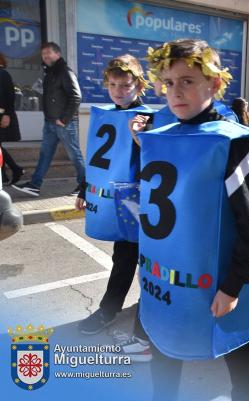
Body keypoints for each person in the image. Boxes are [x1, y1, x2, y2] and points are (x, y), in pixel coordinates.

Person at [130, 39, 249, 401]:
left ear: (214, 84)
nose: (175, 91)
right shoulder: (158, 138)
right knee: (164, 344)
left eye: (187, 81)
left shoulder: (232, 143)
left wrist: (232, 286)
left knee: (233, 341)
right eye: (168, 82)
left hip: (217, 279)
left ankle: (245, 396)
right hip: (165, 277)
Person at [75, 54, 153, 336]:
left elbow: (158, 160)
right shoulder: (105, 115)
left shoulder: (148, 118)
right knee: (123, 256)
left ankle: (143, 312)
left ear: (139, 85)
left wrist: (142, 135)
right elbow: (97, 160)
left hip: (140, 199)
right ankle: (110, 309)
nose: (118, 90)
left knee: (145, 260)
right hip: (114, 198)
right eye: (113, 84)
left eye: (125, 85)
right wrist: (85, 188)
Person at [12, 42, 85, 197]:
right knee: (45, 154)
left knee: (74, 155)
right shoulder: (50, 72)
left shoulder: (65, 71)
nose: (45, 56)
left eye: (48, 53)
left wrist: (64, 119)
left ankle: (85, 186)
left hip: (64, 123)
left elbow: (76, 97)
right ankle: (34, 185)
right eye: (43, 54)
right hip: (50, 123)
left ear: (57, 54)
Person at [0, 52, 24, 185]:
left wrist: (7, 114)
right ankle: (6, 174)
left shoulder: (3, 74)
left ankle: (14, 170)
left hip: (2, 115)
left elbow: (9, 96)